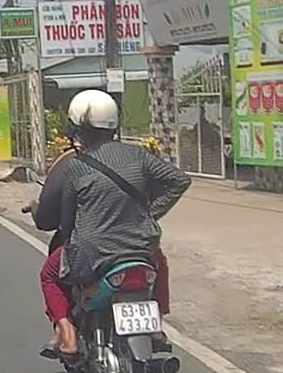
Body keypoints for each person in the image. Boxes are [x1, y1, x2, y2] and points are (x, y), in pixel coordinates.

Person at [33, 89, 190, 358]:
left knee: (49, 274)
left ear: (76, 128)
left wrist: (74, 234)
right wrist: (149, 215)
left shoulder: (76, 167)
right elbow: (180, 180)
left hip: (92, 253)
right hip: (140, 246)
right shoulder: (138, 155)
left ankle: (66, 333)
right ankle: (155, 328)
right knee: (159, 262)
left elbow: (67, 223)